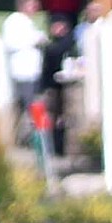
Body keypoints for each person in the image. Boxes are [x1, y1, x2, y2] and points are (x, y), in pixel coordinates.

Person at [1, 0, 47, 139]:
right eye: (31, 6)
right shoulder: (13, 22)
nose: (35, 9)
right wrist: (34, 39)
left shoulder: (28, 22)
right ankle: (40, 133)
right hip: (22, 71)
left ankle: (19, 134)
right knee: (31, 104)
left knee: (26, 104)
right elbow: (12, 43)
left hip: (32, 71)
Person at [39, 16, 77, 156]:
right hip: (51, 85)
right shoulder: (54, 44)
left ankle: (59, 147)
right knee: (51, 118)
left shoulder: (63, 45)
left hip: (61, 87)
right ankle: (52, 147)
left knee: (60, 118)